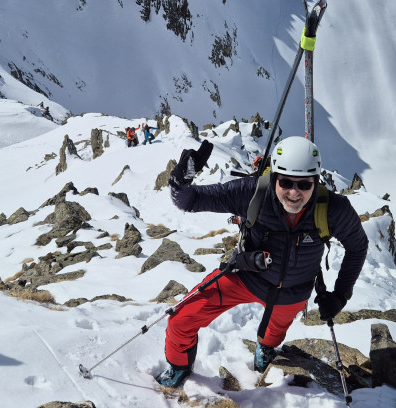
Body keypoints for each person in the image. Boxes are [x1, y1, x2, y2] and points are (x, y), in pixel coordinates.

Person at [155, 137, 369, 387]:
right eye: (286, 182)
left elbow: (358, 246)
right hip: (245, 277)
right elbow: (189, 201)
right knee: (181, 318)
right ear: (274, 177)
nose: (294, 193)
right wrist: (180, 181)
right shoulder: (251, 193)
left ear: (316, 181)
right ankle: (178, 366)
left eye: (304, 184)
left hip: (293, 293)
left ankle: (265, 349)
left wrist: (341, 294)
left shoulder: (333, 209)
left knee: (273, 336)